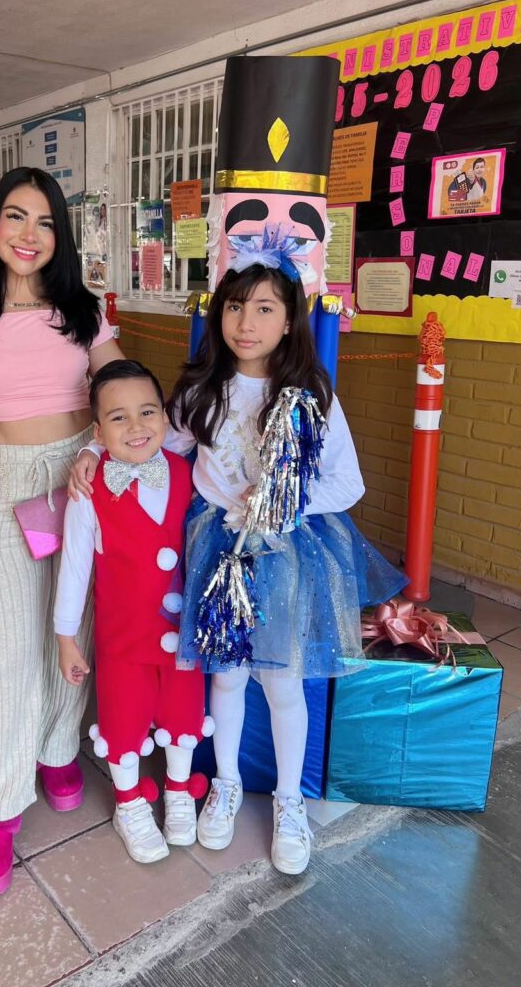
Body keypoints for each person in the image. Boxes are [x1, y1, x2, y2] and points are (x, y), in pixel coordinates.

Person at [71, 255, 406, 876]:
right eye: (234, 307)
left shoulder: (311, 397)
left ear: (289, 321)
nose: (246, 324)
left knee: (283, 685)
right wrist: (96, 447)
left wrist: (284, 500)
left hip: (283, 555)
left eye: (264, 309)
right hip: (214, 549)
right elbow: (152, 438)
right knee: (224, 677)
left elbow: (348, 483)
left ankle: (289, 801)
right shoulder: (202, 388)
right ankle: (224, 784)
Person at [0, 167, 122, 897]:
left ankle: (57, 749)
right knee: (9, 651)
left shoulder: (83, 312)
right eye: (16, 217)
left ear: (60, 236)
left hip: (82, 478)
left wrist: (105, 449)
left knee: (73, 629)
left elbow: (120, 390)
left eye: (45, 222)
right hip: (10, 480)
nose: (29, 234)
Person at [54, 360, 209, 863]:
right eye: (118, 417)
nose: (136, 426)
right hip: (122, 635)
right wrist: (65, 637)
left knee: (184, 711)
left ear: (165, 417)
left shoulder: (186, 472)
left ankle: (179, 791)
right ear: (98, 432)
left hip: (183, 632)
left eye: (147, 412)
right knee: (122, 718)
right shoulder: (89, 488)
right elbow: (75, 566)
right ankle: (129, 803)